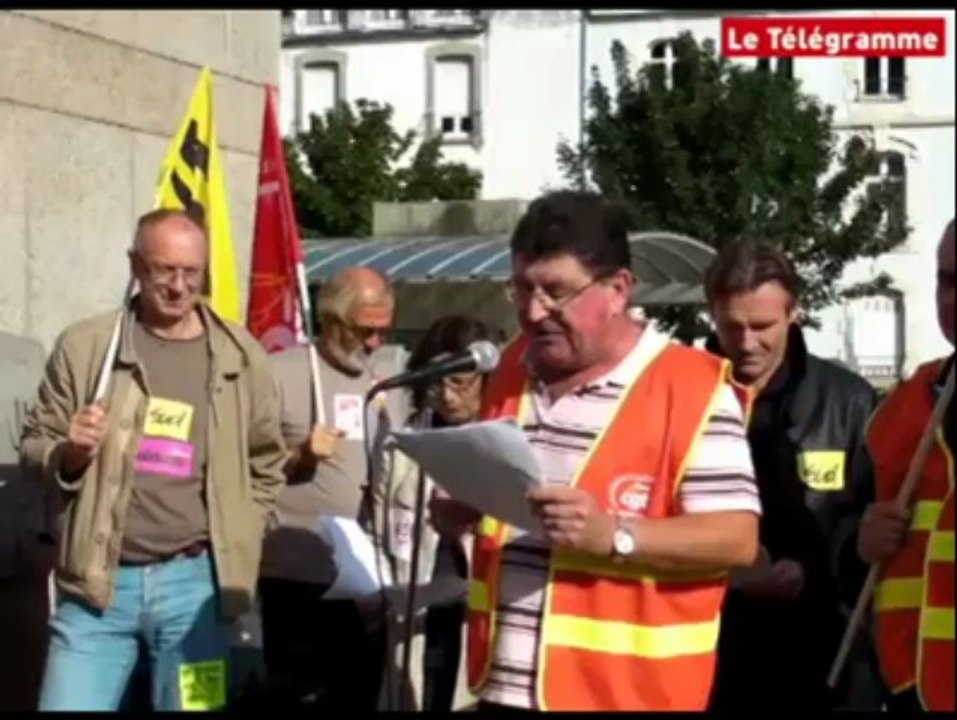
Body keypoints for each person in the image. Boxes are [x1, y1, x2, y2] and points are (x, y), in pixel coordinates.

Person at [430, 190, 762, 712]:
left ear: (617, 289)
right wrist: (472, 509)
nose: (534, 311)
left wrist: (615, 535)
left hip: (627, 697)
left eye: (556, 292)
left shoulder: (692, 388)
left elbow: (737, 540)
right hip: (498, 691)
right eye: (521, 289)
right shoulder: (512, 367)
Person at [19, 208, 287, 712]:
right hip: (96, 585)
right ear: (135, 266)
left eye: (192, 272)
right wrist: (68, 452)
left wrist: (243, 530)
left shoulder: (239, 354)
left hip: (195, 589)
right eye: (165, 270)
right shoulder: (86, 347)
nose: (180, 286)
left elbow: (266, 459)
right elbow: (34, 445)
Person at [701, 239, 882, 711]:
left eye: (762, 326)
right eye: (731, 327)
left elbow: (872, 521)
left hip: (826, 657)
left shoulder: (850, 403)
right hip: (713, 655)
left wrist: (813, 572)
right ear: (711, 315)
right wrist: (728, 575)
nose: (745, 343)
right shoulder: (680, 398)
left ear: (795, 312)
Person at [258, 266, 408, 709]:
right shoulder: (278, 375)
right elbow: (245, 469)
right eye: (365, 331)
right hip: (298, 576)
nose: (375, 343)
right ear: (331, 320)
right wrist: (300, 456)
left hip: (368, 580)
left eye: (384, 331)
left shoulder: (385, 385)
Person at [858, 218, 955, 713]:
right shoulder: (900, 409)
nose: (953, 300)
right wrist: (860, 540)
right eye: (947, 281)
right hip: (907, 683)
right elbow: (845, 537)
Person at [368, 315, 487, 711]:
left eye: (460, 382)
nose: (448, 396)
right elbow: (375, 527)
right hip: (413, 611)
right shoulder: (402, 446)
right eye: (436, 383)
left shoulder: (500, 444)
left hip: (477, 617)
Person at [0, 331, 54, 711]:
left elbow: (44, 447)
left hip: (19, 548)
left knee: (22, 679)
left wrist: (46, 537)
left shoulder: (26, 355)